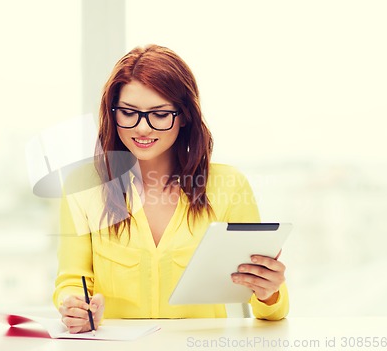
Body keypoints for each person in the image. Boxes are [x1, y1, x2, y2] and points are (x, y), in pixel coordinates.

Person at [53, 44, 289, 334]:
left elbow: (270, 312)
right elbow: (71, 281)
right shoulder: (84, 185)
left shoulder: (228, 186)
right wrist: (74, 306)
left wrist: (270, 292)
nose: (142, 128)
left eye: (160, 115)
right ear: (112, 114)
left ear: (184, 116)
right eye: (128, 112)